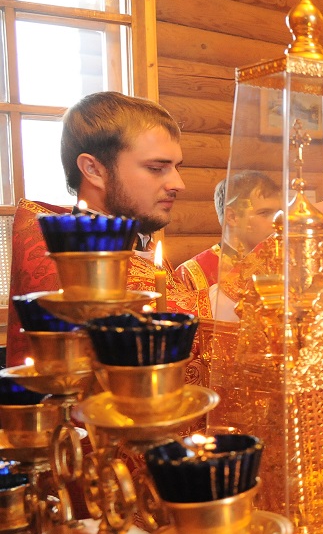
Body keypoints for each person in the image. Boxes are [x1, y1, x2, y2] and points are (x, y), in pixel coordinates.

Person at [7, 92, 210, 358]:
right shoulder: (64, 256)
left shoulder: (137, 241)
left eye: (176, 167)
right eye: (156, 168)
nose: (178, 184)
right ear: (93, 170)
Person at [175, 170, 282, 292]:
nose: (278, 222)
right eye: (265, 213)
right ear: (232, 217)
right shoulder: (192, 274)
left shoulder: (282, 264)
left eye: (280, 213)